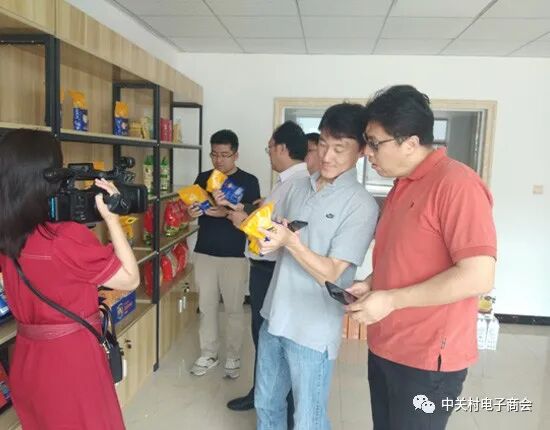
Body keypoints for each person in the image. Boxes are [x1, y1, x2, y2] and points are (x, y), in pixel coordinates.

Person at [346, 85, 497, 430]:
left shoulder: (457, 185)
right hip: (387, 344)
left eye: (375, 143)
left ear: (411, 143)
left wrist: (391, 299)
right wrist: (372, 283)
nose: (366, 152)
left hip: (427, 359)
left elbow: (479, 276)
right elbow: (409, 254)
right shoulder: (402, 184)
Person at [0, 129, 139, 429]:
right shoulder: (64, 238)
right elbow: (130, 279)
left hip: (27, 359)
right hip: (72, 361)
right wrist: (112, 220)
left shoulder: (7, 233)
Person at [254, 104, 379, 430]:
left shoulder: (361, 205)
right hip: (274, 316)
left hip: (312, 329)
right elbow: (274, 238)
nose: (327, 156)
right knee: (266, 405)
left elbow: (332, 272)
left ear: (361, 151)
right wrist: (265, 238)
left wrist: (291, 243)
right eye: (323, 144)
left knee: (308, 420)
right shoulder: (298, 186)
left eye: (340, 148)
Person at [221, 121, 309, 424]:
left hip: (271, 270)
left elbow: (285, 231)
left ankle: (275, 403)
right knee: (262, 336)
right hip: (265, 269)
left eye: (270, 147)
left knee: (271, 339)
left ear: (282, 148)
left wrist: (243, 222)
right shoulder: (287, 181)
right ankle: (260, 393)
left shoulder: (298, 183)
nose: (268, 153)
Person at [188, 129, 260, 379]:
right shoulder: (203, 177)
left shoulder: (249, 181)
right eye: (214, 154)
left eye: (224, 154)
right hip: (204, 252)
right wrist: (192, 213)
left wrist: (224, 211)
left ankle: (233, 355)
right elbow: (194, 208)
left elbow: (251, 216)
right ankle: (208, 353)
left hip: (235, 255)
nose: (218, 160)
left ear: (235, 155)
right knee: (206, 307)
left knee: (233, 308)